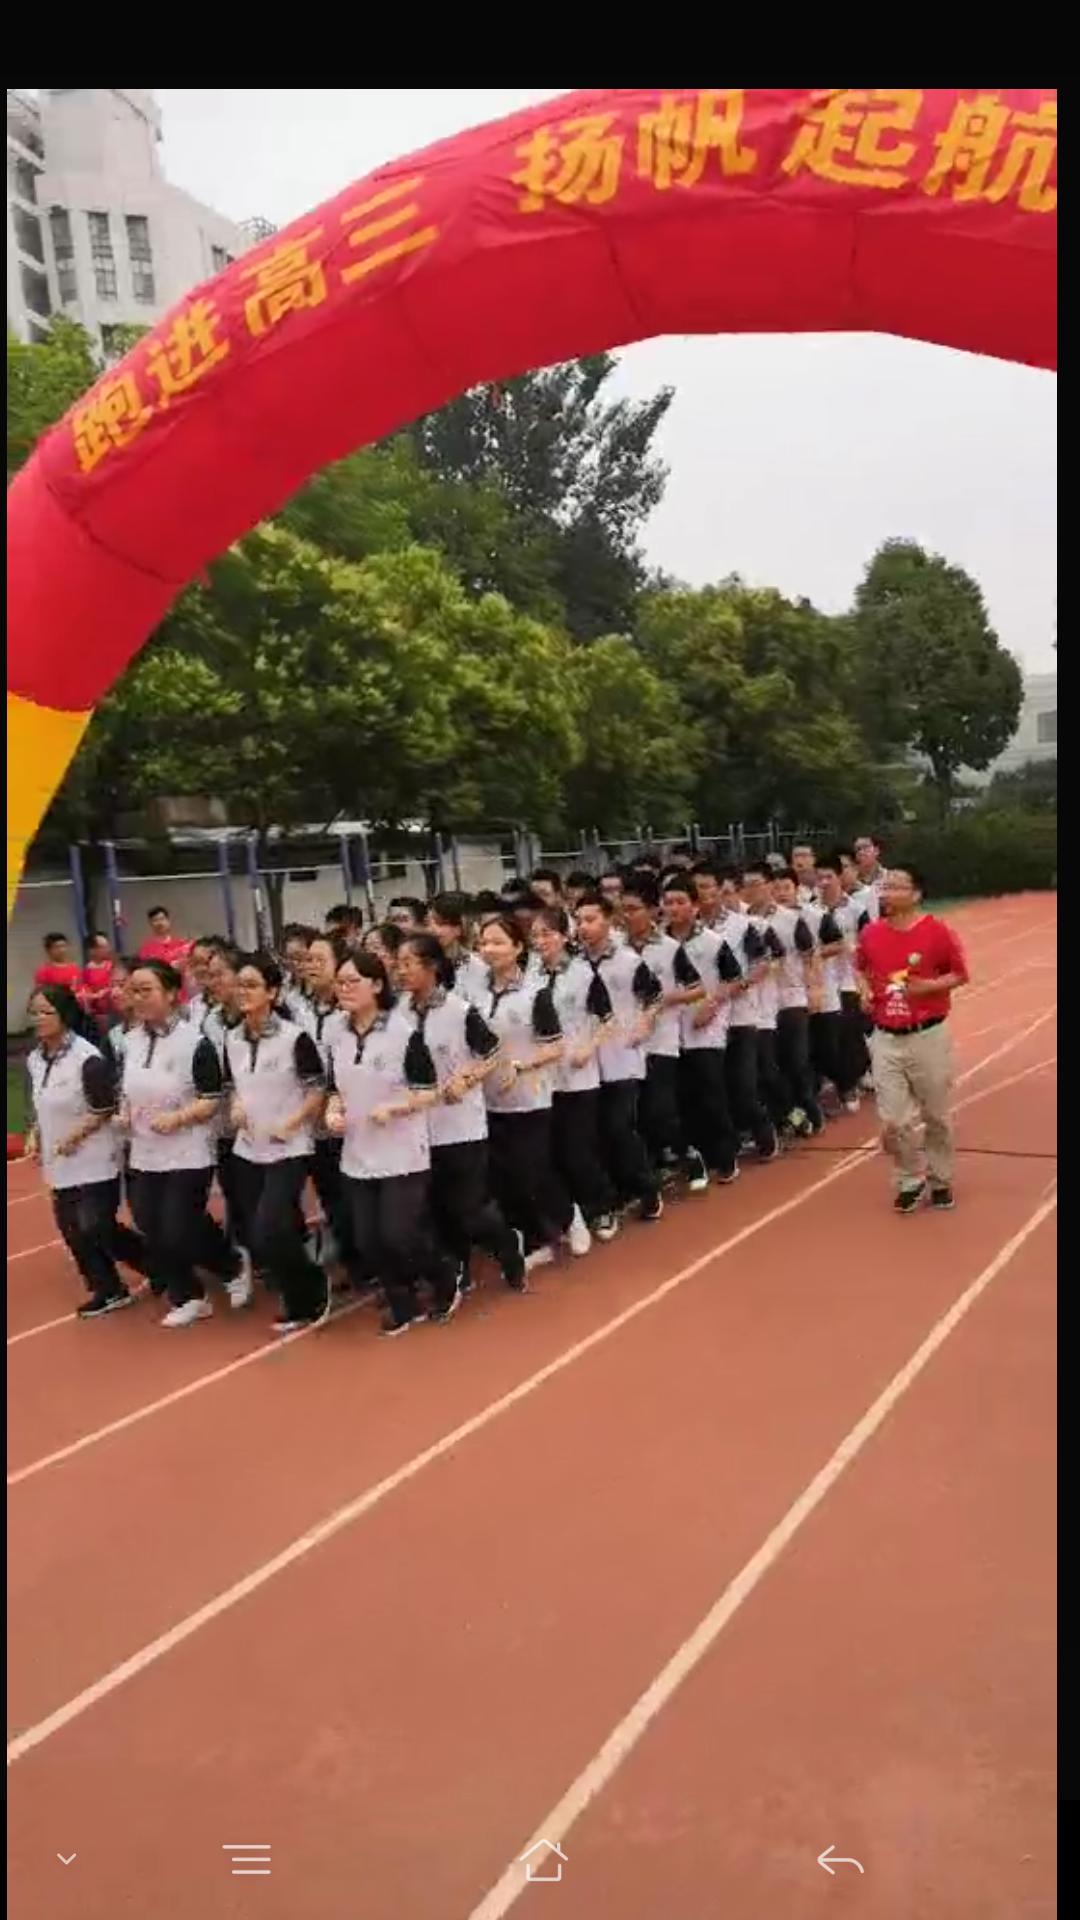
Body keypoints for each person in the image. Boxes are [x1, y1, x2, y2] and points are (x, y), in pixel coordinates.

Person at [327, 948, 461, 1334]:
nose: (345, 989)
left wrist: (395, 1108)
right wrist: (332, 1111)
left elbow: (428, 1091)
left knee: (399, 1234)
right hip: (357, 1152)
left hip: (403, 1151)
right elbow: (335, 1086)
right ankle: (402, 1304)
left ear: (376, 985)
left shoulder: (403, 1033)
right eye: (341, 982)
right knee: (369, 1240)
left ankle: (442, 1277)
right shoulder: (336, 1032)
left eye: (353, 981)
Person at [397, 932, 527, 1291]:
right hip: (418, 1128)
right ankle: (458, 1270)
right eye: (399, 964)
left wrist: (467, 1080)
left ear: (433, 967)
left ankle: (506, 1244)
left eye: (408, 964)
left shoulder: (459, 1010)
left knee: (468, 1209)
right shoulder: (398, 1014)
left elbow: (493, 1052)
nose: (401, 971)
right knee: (435, 1207)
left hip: (461, 1127)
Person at [121, 959, 244, 1327]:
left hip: (188, 1150)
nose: (138, 998)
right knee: (149, 1223)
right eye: (133, 991)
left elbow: (211, 1099)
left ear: (172, 994)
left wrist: (177, 1118)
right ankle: (189, 1294)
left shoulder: (195, 1043)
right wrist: (125, 1114)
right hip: (143, 1151)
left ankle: (231, 1264)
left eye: (147, 990)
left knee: (177, 1226)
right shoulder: (128, 1041)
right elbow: (126, 1090)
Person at [25, 984, 147, 1317]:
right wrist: (35, 1134)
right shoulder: (36, 1059)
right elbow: (41, 1102)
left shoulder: (87, 1058)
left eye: (45, 1012)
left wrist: (75, 1136)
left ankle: (155, 1262)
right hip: (59, 1161)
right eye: (34, 1012)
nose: (38, 1019)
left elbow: (103, 1107)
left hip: (94, 1156)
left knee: (96, 1224)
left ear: (64, 1014)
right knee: (71, 1230)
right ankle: (107, 1289)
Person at [224, 953, 329, 1333]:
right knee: (255, 1233)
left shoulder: (294, 1038)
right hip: (249, 1147)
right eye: (239, 986)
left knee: (272, 1225)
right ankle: (297, 1294)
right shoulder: (232, 1038)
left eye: (252, 985)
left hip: (290, 1147)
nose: (243, 993)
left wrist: (293, 1122)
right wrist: (236, 1106)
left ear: (272, 991)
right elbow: (234, 1084)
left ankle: (312, 1289)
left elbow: (317, 1089)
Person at [856, 866, 969, 1213]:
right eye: (884, 887)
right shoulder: (872, 933)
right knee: (894, 1120)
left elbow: (960, 974)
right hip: (886, 1036)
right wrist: (862, 990)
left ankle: (940, 1179)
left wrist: (929, 987)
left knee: (935, 1115)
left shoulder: (936, 932)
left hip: (927, 1034)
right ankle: (909, 1177)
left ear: (916, 894)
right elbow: (861, 967)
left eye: (895, 887)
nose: (886, 893)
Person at [478, 913, 579, 1271]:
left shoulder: (536, 993)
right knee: (503, 1177)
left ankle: (558, 1224)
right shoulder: (473, 994)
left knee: (529, 1171)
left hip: (530, 1097)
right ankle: (538, 1230)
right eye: (484, 942)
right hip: (488, 1100)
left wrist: (520, 1066)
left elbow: (555, 1047)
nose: (489, 949)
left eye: (498, 942)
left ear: (518, 948)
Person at [575, 891, 664, 1220]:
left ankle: (645, 1185)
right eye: (578, 920)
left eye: (591, 919)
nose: (583, 927)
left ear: (609, 920)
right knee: (594, 1132)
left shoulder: (628, 961)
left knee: (618, 1127)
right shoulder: (573, 963)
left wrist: (644, 1022)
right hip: (584, 1064)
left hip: (622, 1057)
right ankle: (610, 1194)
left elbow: (654, 997)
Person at [533, 906, 620, 1241]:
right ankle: (568, 1215)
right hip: (543, 1079)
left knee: (577, 1149)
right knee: (550, 1152)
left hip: (579, 1079)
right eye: (536, 935)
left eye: (547, 934)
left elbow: (607, 1020)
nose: (541, 941)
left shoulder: (584, 974)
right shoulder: (531, 976)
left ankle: (602, 1207)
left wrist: (588, 1047)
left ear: (564, 936)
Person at [621, 876, 707, 1191]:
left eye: (634, 909)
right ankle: (654, 1167)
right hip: (626, 1045)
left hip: (661, 1041)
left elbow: (697, 989)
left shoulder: (670, 949)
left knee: (661, 1109)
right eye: (623, 910)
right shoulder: (616, 948)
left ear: (652, 911)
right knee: (636, 1113)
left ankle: (689, 1153)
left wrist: (665, 998)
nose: (627, 916)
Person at [661, 872, 740, 1184]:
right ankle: (694, 1155)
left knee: (710, 1093)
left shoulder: (712, 942)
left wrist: (712, 1005)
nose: (674, 908)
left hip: (706, 1027)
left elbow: (733, 978)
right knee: (681, 1098)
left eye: (681, 902)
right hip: (668, 1031)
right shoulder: (659, 943)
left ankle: (724, 1154)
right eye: (668, 902)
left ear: (695, 906)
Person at [768, 870, 825, 1134]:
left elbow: (810, 955)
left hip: (793, 997)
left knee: (797, 1059)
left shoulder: (794, 920)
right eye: (776, 888)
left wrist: (814, 989)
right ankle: (789, 1113)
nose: (780, 893)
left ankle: (809, 1108)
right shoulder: (749, 921)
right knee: (773, 1064)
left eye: (785, 887)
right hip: (765, 1004)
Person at [816, 855, 871, 1109]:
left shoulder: (857, 910)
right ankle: (842, 1077)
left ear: (840, 878)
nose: (824, 883)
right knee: (828, 1039)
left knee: (849, 1034)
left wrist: (867, 980)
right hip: (821, 983)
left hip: (850, 980)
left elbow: (869, 944)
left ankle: (850, 1083)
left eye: (829, 877)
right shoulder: (810, 910)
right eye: (820, 878)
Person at [428, 892, 490, 1006]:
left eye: (440, 923)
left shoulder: (478, 968)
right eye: (429, 922)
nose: (432, 929)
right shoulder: (424, 961)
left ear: (460, 927)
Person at [138, 905, 193, 973]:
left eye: (162, 919)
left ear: (168, 921)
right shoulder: (146, 949)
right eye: (155, 920)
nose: (159, 923)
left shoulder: (181, 944)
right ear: (150, 924)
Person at [80, 931, 116, 1034]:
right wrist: (91, 997)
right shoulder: (86, 971)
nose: (107, 949)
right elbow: (84, 992)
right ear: (92, 950)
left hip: (115, 1012)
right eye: (102, 947)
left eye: (107, 946)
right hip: (98, 1015)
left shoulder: (113, 966)